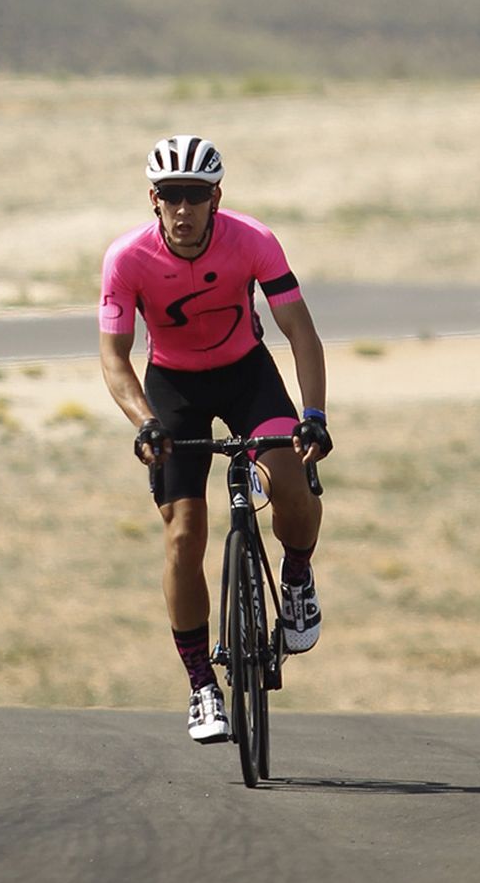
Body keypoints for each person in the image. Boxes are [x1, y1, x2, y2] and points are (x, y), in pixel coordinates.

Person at [98, 133, 331, 745]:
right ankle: (203, 685)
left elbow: (300, 333)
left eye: (195, 196)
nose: (183, 209)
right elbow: (115, 358)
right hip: (174, 389)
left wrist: (314, 413)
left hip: (247, 377)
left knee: (289, 477)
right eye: (171, 195)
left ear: (216, 198)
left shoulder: (252, 241)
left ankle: (299, 575)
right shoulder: (126, 259)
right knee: (183, 537)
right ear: (153, 199)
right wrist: (144, 420)